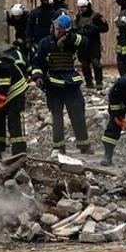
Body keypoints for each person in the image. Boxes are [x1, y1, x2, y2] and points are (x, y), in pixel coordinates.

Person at [31, 13, 92, 153]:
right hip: (53, 85)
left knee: (78, 112)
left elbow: (86, 43)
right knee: (57, 116)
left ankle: (84, 145)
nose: (57, 31)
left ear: (66, 31)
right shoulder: (45, 43)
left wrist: (70, 38)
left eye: (60, 29)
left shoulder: (72, 41)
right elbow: (37, 62)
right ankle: (59, 147)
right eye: (56, 28)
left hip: (71, 83)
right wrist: (38, 76)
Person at [74, 0, 109, 90]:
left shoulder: (97, 16)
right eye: (79, 7)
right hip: (82, 44)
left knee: (95, 63)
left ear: (88, 6)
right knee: (84, 64)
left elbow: (105, 28)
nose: (81, 9)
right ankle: (89, 83)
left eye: (83, 7)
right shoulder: (78, 17)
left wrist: (95, 29)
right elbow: (75, 27)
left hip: (94, 44)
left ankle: (99, 82)